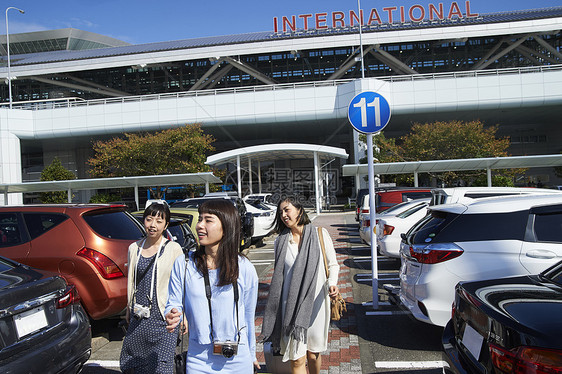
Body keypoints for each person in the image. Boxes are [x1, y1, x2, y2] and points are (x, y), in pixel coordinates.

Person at [165, 199, 260, 373]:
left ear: (226, 226)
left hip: (237, 357)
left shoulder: (244, 267)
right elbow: (173, 302)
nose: (200, 225)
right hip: (198, 358)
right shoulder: (184, 264)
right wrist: (172, 314)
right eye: (200, 219)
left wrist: (252, 354)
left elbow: (248, 315)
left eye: (208, 220)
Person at [259, 196, 340, 374]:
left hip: (316, 303)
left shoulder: (319, 234)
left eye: (287, 210)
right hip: (290, 308)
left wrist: (333, 283)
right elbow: (280, 276)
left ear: (299, 211)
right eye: (280, 212)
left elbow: (333, 264)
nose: (283, 215)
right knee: (297, 359)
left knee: (313, 355)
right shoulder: (280, 242)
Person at [120, 202, 184, 373]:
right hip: (139, 314)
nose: (153, 225)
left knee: (162, 366)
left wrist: (184, 315)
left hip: (164, 315)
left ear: (166, 225)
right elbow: (131, 280)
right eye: (149, 219)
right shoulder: (134, 248)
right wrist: (129, 306)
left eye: (159, 221)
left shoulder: (174, 249)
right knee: (133, 361)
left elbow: (181, 284)